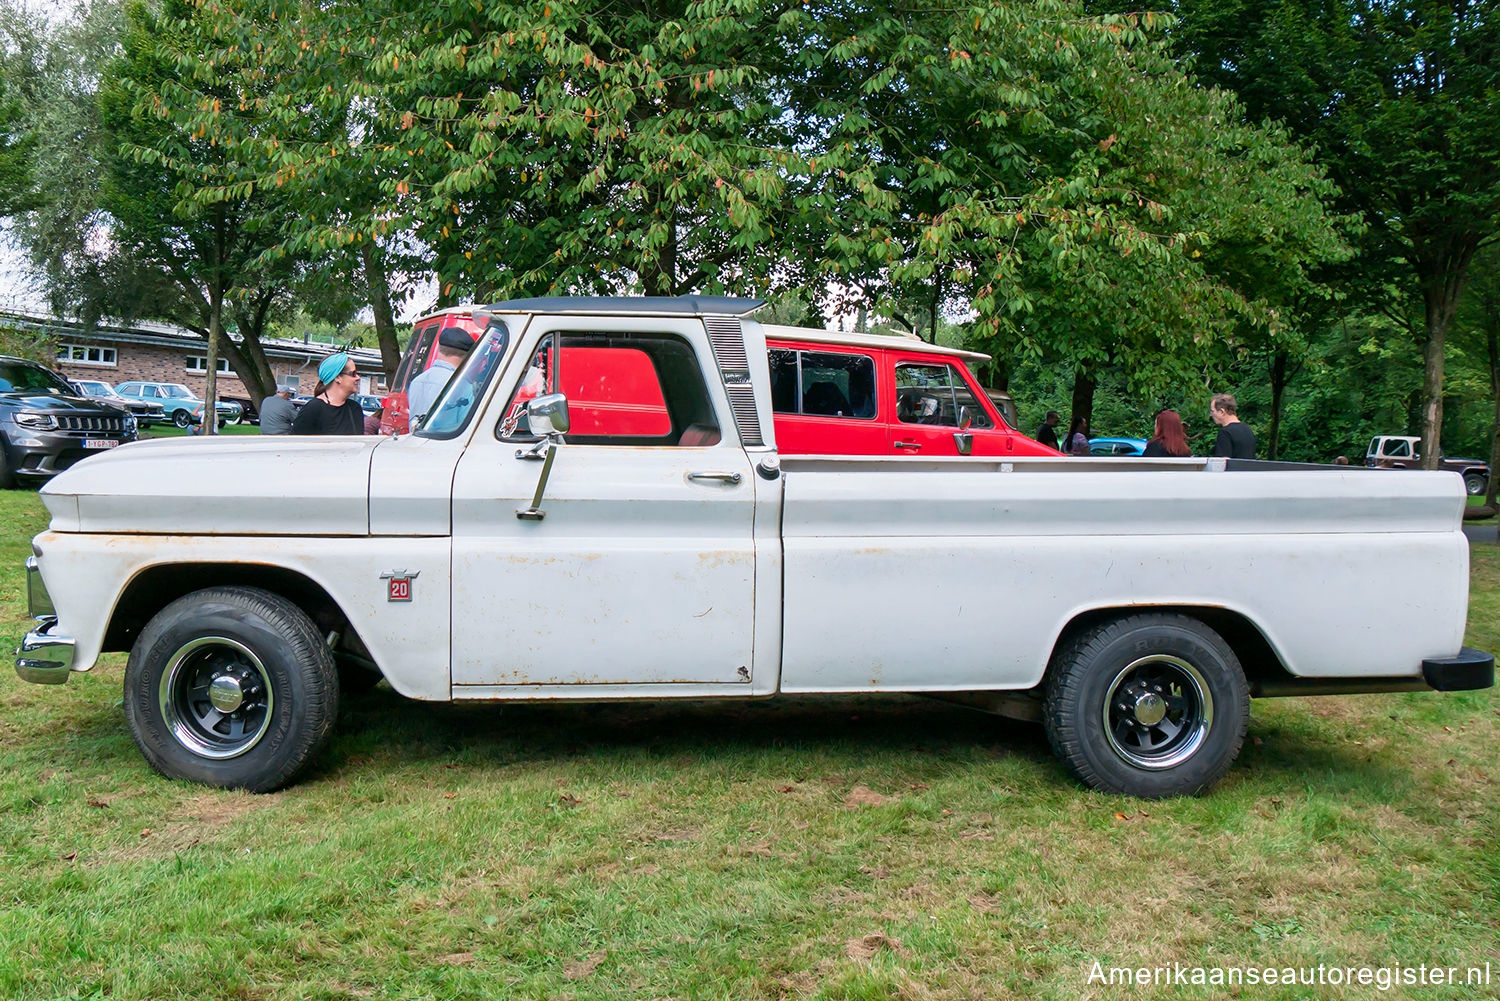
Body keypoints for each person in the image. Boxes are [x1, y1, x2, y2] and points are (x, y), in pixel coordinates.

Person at [407, 328, 473, 426]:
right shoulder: (463, 386)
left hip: (416, 440)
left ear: (438, 348)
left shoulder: (416, 381)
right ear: (468, 356)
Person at [290, 353, 365, 435]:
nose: (358, 377)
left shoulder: (354, 408)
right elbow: (296, 444)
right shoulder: (312, 409)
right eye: (353, 374)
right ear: (337, 377)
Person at [1209, 393, 1256, 459]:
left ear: (1222, 412)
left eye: (1212, 411)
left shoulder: (1225, 433)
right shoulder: (1247, 430)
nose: (1211, 415)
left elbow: (1221, 464)